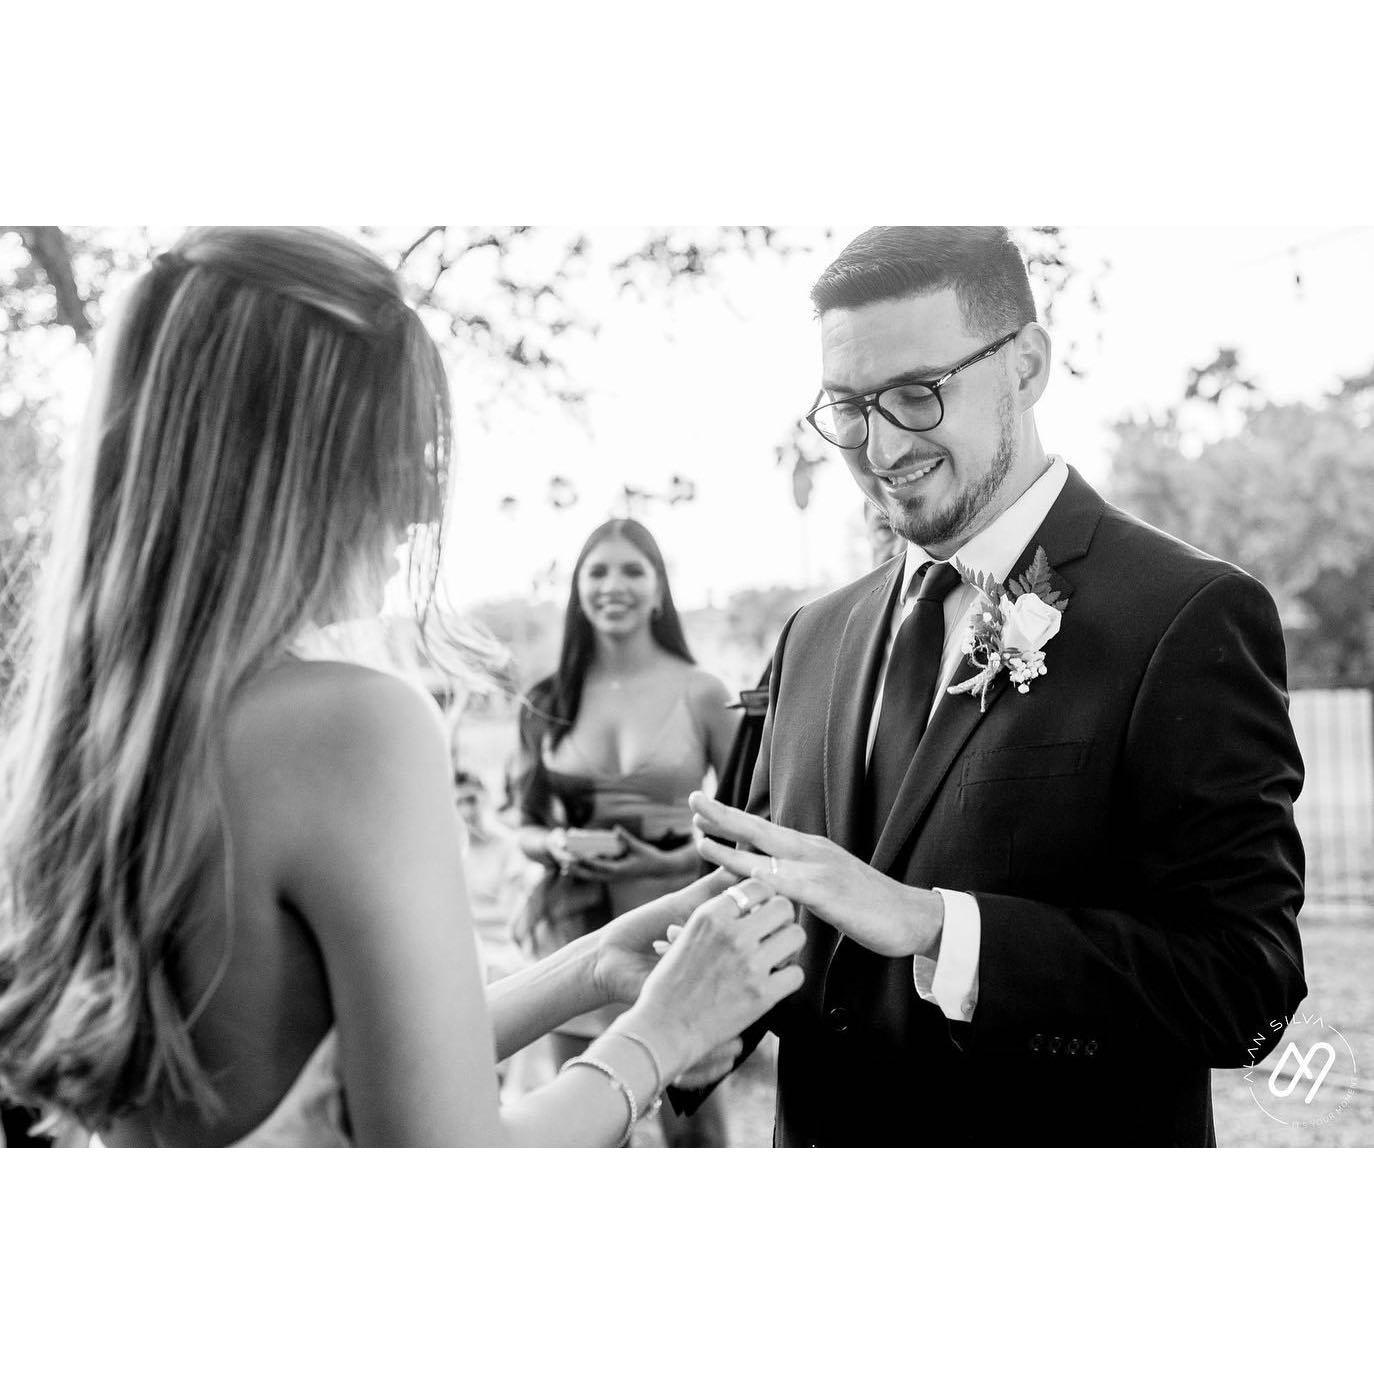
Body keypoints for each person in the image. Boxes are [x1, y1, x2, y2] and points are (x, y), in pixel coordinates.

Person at [0, 227, 804, 1147]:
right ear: (293, 460)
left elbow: (357, 1065)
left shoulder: (101, 734)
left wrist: (587, 969)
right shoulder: (350, 724)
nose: (420, 507)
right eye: (398, 453)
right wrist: (664, 1032)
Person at [687, 225, 1307, 1146]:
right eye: (849, 406)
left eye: (917, 394)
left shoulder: (1186, 614)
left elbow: (1245, 988)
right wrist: (702, 1032)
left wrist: (937, 927)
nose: (879, 446)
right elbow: (782, 917)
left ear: (1026, 365)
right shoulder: (811, 635)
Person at [514, 518, 740, 1146]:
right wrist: (553, 845)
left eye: (633, 570)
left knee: (698, 1136)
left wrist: (668, 861)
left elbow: (752, 824)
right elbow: (526, 826)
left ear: (659, 588)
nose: (614, 585)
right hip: (571, 939)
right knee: (583, 1135)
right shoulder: (546, 699)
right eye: (598, 571)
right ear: (577, 590)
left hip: (677, 940)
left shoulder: (704, 693)